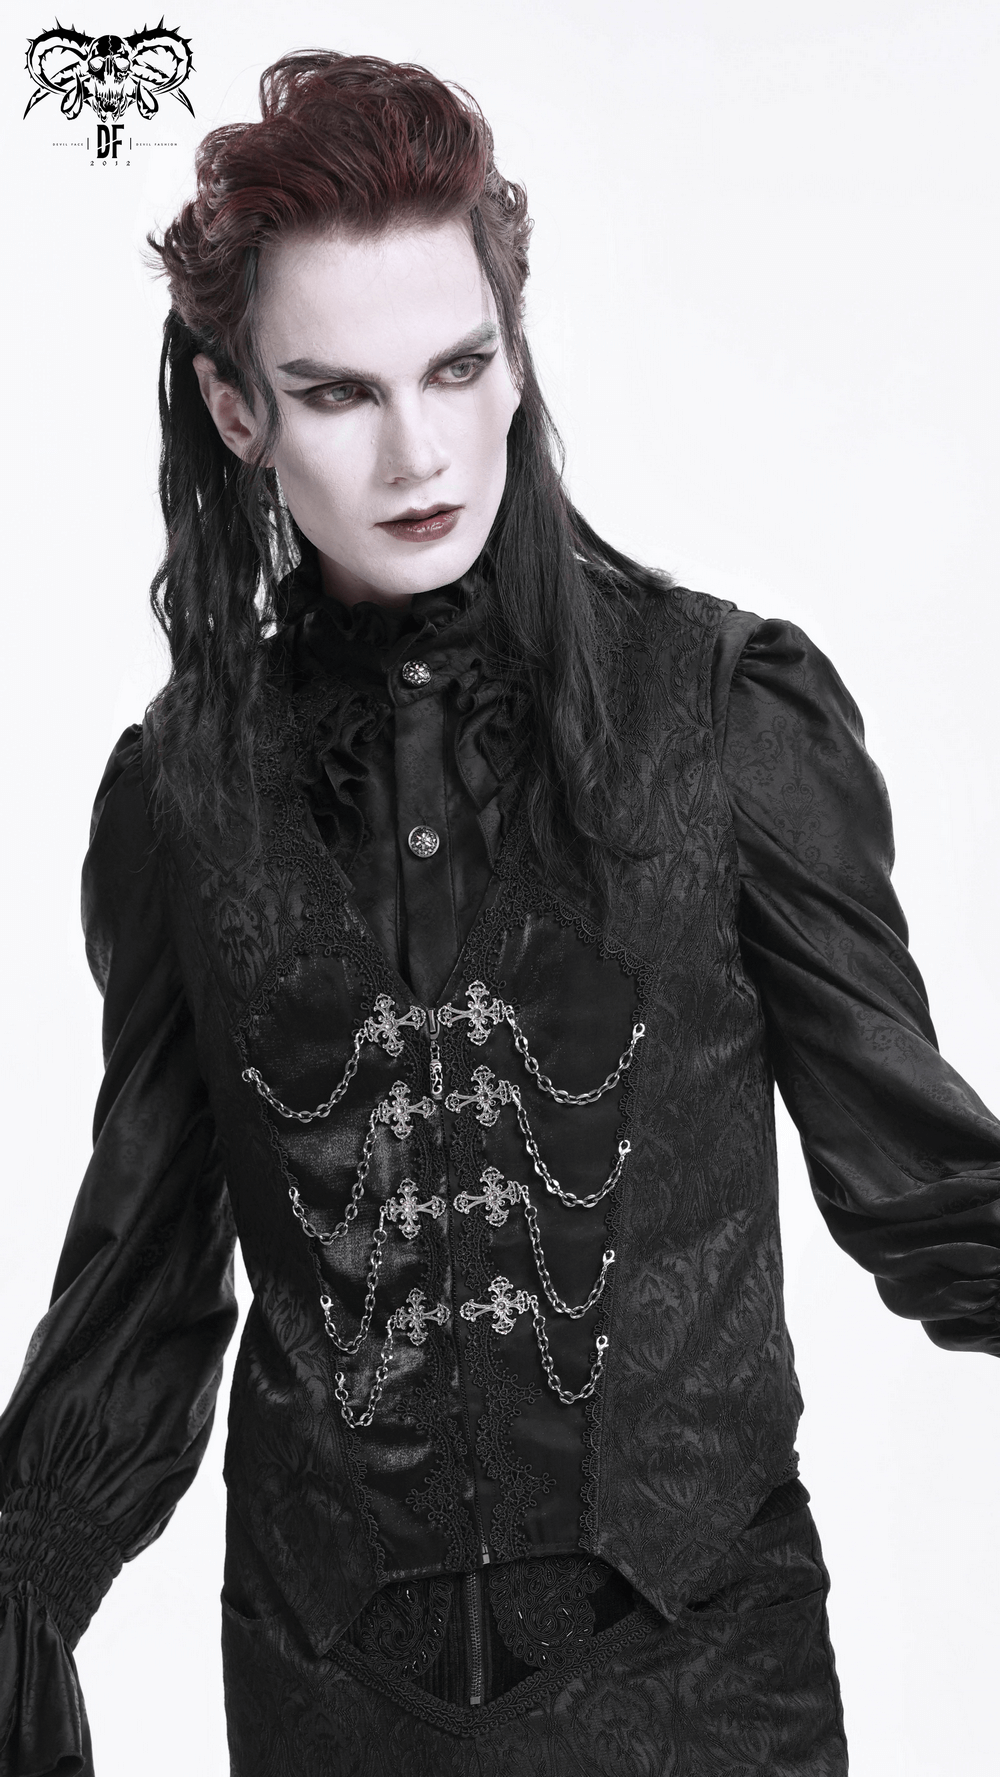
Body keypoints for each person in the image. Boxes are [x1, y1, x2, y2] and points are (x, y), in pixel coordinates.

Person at [1, 47, 999, 1777]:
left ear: (514, 358)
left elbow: (922, 1183)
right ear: (237, 411)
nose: (419, 452)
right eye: (337, 394)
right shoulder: (181, 802)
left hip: (707, 1700)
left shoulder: (723, 717)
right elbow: (144, 1278)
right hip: (331, 1710)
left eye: (458, 368)